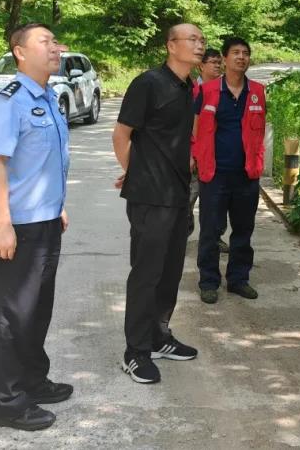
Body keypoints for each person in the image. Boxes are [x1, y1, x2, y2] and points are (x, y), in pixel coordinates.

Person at [0, 22, 72, 431]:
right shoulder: (10, 101)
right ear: (20, 52)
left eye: (55, 42)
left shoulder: (50, 96)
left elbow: (45, 162)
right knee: (11, 316)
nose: (55, 48)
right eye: (45, 42)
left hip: (47, 220)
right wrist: (2, 223)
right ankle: (8, 403)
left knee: (37, 311)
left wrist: (57, 206)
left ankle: (34, 381)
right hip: (18, 226)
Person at [112, 23, 203, 384]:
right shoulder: (148, 83)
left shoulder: (188, 86)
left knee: (170, 272)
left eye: (202, 39)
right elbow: (121, 134)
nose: (199, 45)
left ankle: (159, 336)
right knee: (146, 274)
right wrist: (133, 172)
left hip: (178, 195)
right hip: (150, 197)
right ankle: (135, 352)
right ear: (171, 46)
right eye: (192, 39)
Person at [193, 37, 266, 304]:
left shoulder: (257, 91)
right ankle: (208, 281)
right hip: (214, 174)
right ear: (224, 58)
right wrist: (193, 156)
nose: (241, 57)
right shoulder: (207, 90)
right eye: (235, 52)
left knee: (243, 230)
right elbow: (195, 126)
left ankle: (238, 279)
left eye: (245, 53)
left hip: (246, 174)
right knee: (210, 231)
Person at [188, 48, 223, 236]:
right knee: (188, 198)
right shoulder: (191, 91)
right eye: (213, 62)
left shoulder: (225, 90)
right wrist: (190, 154)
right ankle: (181, 236)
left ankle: (214, 238)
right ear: (201, 66)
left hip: (219, 156)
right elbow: (185, 127)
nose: (218, 66)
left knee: (217, 203)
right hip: (196, 155)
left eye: (220, 62)